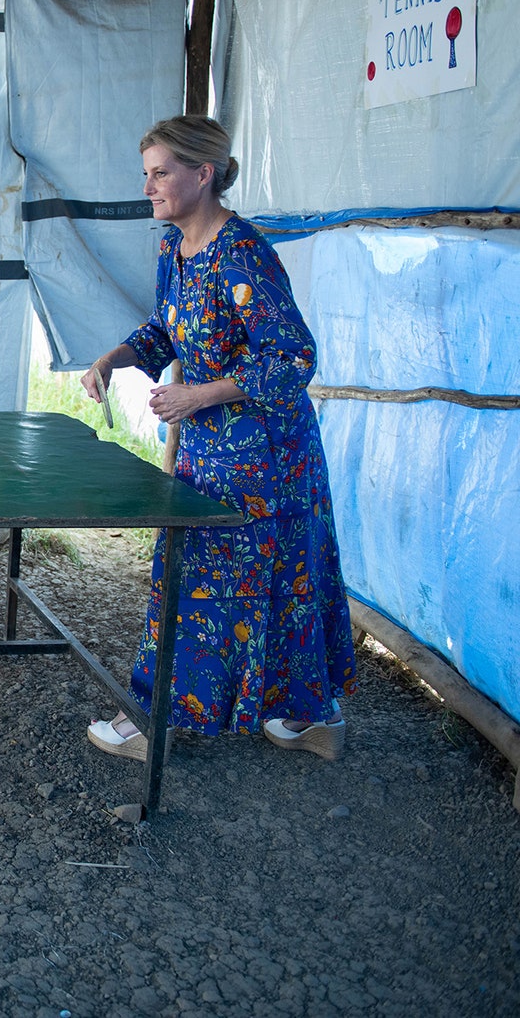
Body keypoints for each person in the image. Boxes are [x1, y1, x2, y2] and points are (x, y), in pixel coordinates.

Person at [81, 115, 356, 763]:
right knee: (229, 576)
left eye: (161, 173)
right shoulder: (173, 250)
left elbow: (292, 358)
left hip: (267, 458)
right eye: (146, 173)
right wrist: (112, 359)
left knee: (229, 577)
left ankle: (151, 719)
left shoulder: (244, 255)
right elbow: (166, 330)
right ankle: (310, 717)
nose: (149, 186)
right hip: (212, 452)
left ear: (203, 175)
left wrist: (197, 395)